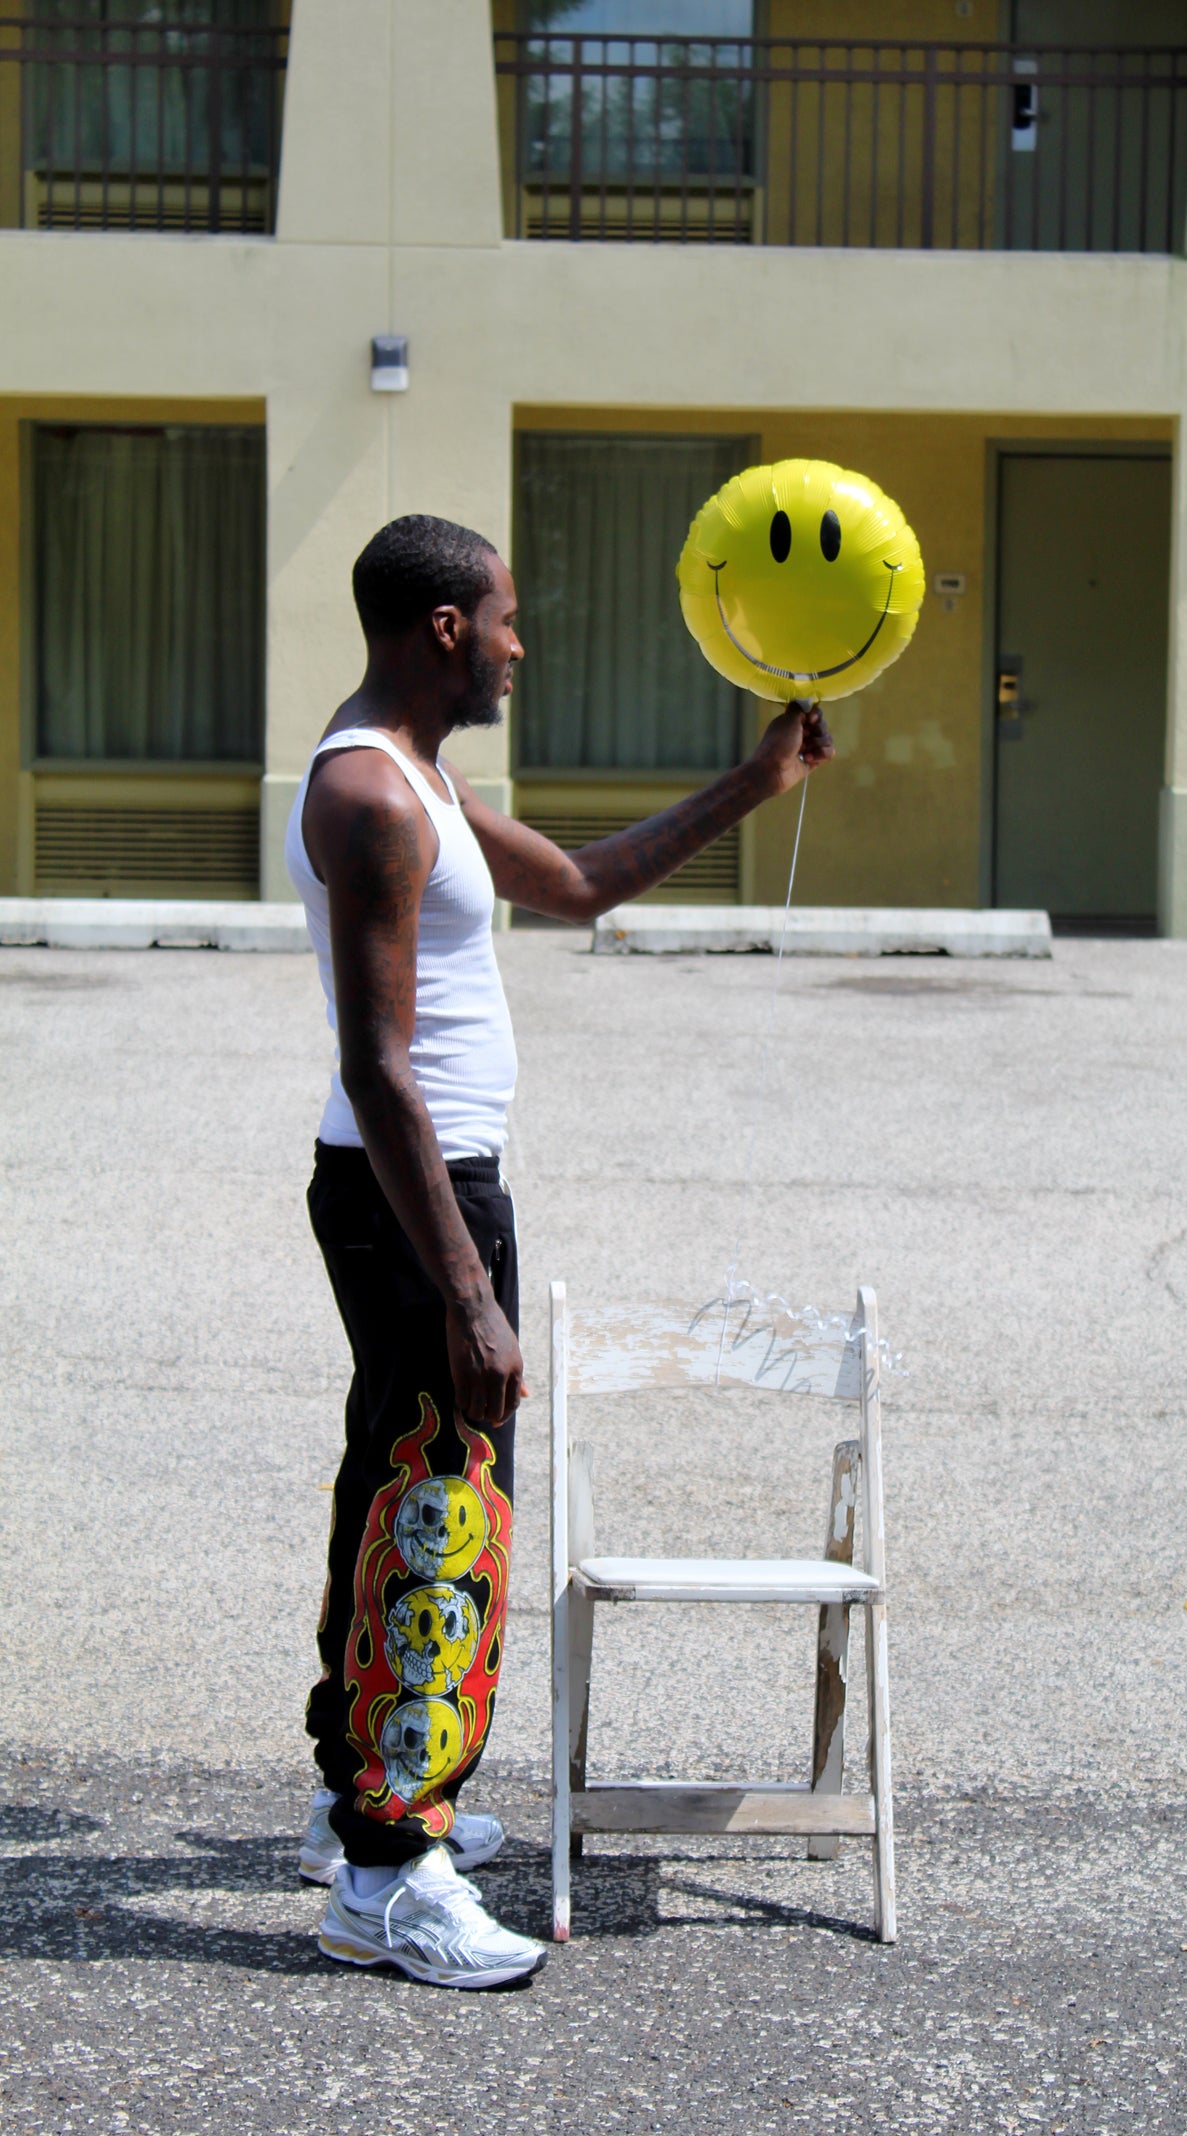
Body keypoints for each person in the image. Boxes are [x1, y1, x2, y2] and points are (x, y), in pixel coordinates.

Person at [283, 513, 832, 1989]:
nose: (523, 644)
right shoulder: (372, 798)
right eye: (507, 620)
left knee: (394, 1489)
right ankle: (392, 1872)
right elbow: (381, 1061)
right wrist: (470, 1291)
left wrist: (750, 782)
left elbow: (579, 889)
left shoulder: (410, 777)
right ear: (446, 629)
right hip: (419, 1199)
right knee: (441, 1515)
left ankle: (364, 1808)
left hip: (419, 1193)